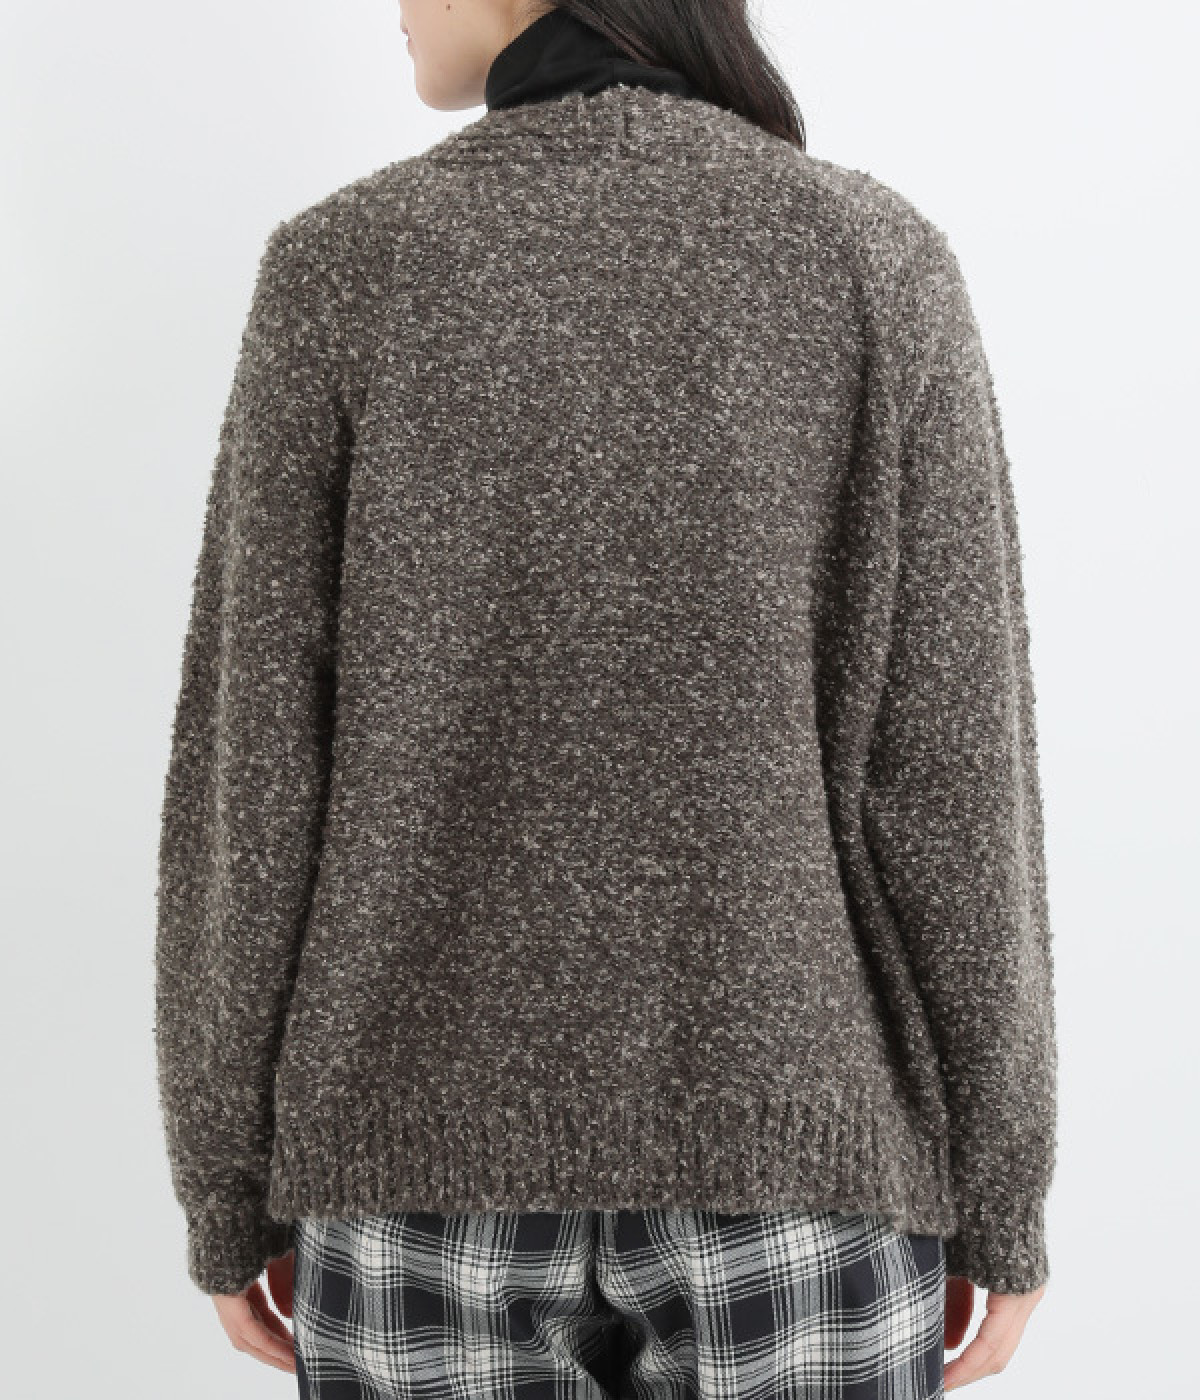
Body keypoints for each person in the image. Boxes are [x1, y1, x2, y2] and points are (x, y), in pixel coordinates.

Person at [153, 2, 1058, 1395]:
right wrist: (1001, 1185)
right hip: (801, 1171)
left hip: (412, 1174)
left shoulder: (346, 265)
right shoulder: (870, 256)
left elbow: (253, 778)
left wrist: (225, 1180)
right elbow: (952, 782)